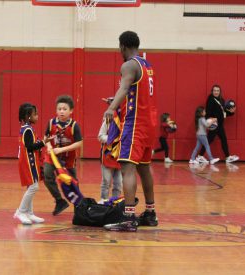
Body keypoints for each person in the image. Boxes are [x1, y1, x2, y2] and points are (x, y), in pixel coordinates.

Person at [103, 31, 158, 232]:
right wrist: (115, 102)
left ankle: (128, 217)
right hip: (149, 123)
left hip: (135, 124)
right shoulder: (147, 65)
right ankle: (150, 213)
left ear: (123, 46)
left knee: (127, 167)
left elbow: (124, 89)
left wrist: (110, 108)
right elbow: (135, 93)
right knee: (144, 167)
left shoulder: (128, 65)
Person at [43, 95, 83, 215]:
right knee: (47, 175)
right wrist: (49, 146)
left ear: (71, 111)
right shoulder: (51, 123)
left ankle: (79, 205)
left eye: (64, 109)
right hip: (53, 157)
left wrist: (62, 149)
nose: (61, 111)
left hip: (68, 159)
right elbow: (46, 137)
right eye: (59, 109)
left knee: (72, 182)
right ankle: (59, 201)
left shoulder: (74, 125)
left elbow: (79, 143)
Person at [14, 103, 52, 225]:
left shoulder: (26, 128)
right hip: (28, 161)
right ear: (28, 116)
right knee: (34, 187)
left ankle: (29, 213)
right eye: (35, 114)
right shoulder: (27, 130)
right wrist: (43, 142)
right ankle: (21, 211)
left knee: (31, 186)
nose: (37, 116)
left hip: (28, 160)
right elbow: (30, 147)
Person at [197, 85, 239, 163]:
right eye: (214, 90)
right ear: (212, 91)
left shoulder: (222, 100)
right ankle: (200, 156)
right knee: (209, 140)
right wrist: (211, 120)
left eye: (217, 90)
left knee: (223, 139)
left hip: (219, 124)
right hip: (214, 124)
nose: (216, 92)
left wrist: (231, 112)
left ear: (220, 92)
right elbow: (208, 113)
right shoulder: (210, 100)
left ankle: (227, 157)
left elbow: (223, 113)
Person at [98, 97, 122, 204]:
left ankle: (115, 202)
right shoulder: (108, 120)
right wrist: (112, 139)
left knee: (118, 183)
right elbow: (100, 136)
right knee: (106, 181)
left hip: (120, 156)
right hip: (108, 155)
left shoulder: (126, 123)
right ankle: (104, 200)